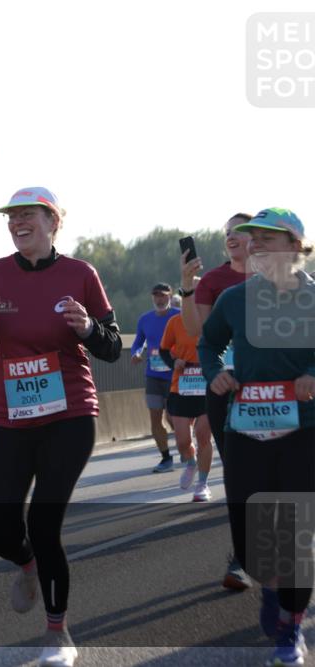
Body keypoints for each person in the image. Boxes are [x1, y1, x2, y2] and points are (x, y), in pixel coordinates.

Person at [0, 186, 122, 667]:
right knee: (0, 531)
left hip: (70, 414)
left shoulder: (80, 274)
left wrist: (88, 328)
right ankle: (27, 565)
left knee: (44, 523)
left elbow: (111, 345)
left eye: (28, 215)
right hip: (11, 416)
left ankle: (58, 633)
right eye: (12, 217)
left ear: (53, 222)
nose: (16, 223)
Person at [198, 208, 315, 667]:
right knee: (252, 543)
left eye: (267, 239)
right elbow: (209, 343)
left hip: (303, 432)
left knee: (296, 533)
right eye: (252, 239)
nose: (255, 246)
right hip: (246, 430)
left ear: (295, 246)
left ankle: (291, 624)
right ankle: (270, 581)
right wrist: (215, 373)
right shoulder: (235, 299)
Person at [178, 213, 254, 590]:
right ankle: (242, 558)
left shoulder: (288, 282)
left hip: (282, 391)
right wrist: (187, 286)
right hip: (227, 388)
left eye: (239, 231)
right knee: (240, 474)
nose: (231, 237)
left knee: (284, 475)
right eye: (227, 233)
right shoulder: (215, 282)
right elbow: (199, 334)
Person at [158, 311, 212, 501]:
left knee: (203, 436)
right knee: (182, 441)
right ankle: (191, 462)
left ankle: (202, 484)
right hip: (181, 386)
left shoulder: (214, 318)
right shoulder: (175, 322)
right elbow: (163, 349)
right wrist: (174, 361)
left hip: (208, 385)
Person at [130, 283, 180, 472]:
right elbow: (138, 342)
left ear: (170, 296)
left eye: (163, 296)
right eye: (156, 296)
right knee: (155, 418)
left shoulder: (178, 316)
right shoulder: (145, 319)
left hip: (174, 374)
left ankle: (186, 445)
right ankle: (166, 458)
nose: (160, 299)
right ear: (152, 297)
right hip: (153, 375)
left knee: (174, 417)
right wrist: (135, 353)